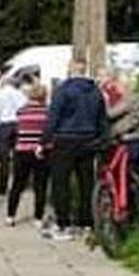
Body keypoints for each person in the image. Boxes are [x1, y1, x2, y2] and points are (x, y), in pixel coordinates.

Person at [42, 59, 108, 240]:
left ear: (70, 70)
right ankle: (86, 223)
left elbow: (53, 117)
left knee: (60, 182)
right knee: (87, 183)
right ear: (85, 70)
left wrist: (43, 141)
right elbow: (102, 119)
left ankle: (63, 224)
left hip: (65, 139)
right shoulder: (96, 92)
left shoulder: (63, 90)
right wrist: (102, 140)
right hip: (88, 140)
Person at [6, 83, 50, 227]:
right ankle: (38, 217)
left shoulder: (21, 112)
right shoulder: (47, 113)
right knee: (40, 186)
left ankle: (10, 215)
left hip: (22, 150)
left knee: (17, 185)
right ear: (44, 96)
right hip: (40, 152)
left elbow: (15, 131)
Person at [0, 74, 27, 196]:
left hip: (4, 126)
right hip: (18, 125)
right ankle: (18, 185)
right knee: (18, 158)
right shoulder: (20, 95)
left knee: (4, 159)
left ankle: (3, 186)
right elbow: (24, 109)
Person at [107, 77, 139, 169]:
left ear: (124, 86)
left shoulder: (129, 100)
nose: (115, 88)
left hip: (125, 143)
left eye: (117, 85)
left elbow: (110, 115)